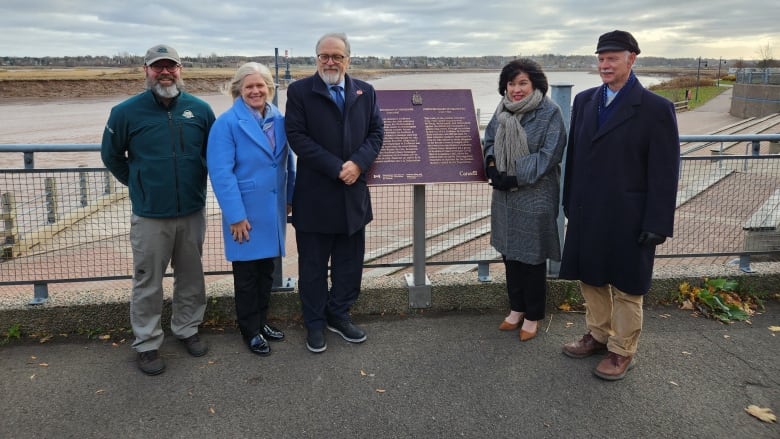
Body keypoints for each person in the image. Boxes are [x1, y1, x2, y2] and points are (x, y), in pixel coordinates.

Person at [559, 30, 680, 380]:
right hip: (588, 210)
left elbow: (664, 171)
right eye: (600, 58)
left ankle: (622, 349)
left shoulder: (656, 109)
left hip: (631, 215)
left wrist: (657, 222)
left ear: (632, 58)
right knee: (591, 277)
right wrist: (570, 202)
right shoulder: (583, 101)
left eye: (612, 58)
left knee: (628, 286)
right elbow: (576, 157)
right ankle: (598, 335)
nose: (605, 65)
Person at [101, 44, 215, 375]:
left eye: (171, 66)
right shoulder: (125, 112)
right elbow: (111, 157)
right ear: (146, 71)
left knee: (191, 277)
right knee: (148, 280)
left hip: (192, 210)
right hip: (150, 215)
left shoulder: (201, 109)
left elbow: (214, 154)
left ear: (181, 69)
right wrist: (139, 184)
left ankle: (187, 328)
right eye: (157, 67)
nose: (165, 72)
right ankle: (147, 343)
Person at [285, 32, 384, 353]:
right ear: (316, 59)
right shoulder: (299, 91)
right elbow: (297, 137)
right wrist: (337, 167)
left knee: (349, 265)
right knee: (312, 268)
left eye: (337, 56)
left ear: (348, 60)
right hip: (315, 198)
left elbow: (376, 132)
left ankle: (338, 314)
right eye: (324, 56)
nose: (330, 62)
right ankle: (314, 322)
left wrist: (358, 163)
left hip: (352, 197)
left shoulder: (364, 91)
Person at [207, 62, 295, 356]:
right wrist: (236, 216)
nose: (256, 91)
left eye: (261, 86)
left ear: (269, 88)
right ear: (238, 90)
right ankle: (250, 330)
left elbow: (287, 163)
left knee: (266, 272)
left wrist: (290, 197)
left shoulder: (279, 118)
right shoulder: (227, 123)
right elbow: (221, 173)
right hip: (245, 212)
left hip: (272, 208)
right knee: (246, 276)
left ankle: (262, 321)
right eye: (249, 87)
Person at [483, 59, 567, 342]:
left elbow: (550, 154)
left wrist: (515, 175)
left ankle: (533, 315)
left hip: (535, 195)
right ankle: (516, 308)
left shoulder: (549, 112)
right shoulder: (503, 109)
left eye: (522, 83)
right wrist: (493, 165)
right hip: (505, 197)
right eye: (511, 83)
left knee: (531, 258)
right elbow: (490, 140)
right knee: (510, 254)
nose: (516, 89)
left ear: (535, 84)